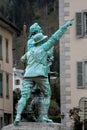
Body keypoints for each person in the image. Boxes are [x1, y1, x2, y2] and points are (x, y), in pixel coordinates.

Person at [14, 20, 73, 126]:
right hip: (40, 75)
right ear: (41, 41)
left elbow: (22, 59)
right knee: (47, 94)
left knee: (24, 96)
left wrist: (29, 59)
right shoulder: (44, 48)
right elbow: (55, 37)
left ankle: (17, 116)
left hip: (28, 75)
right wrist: (65, 26)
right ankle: (43, 116)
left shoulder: (30, 51)